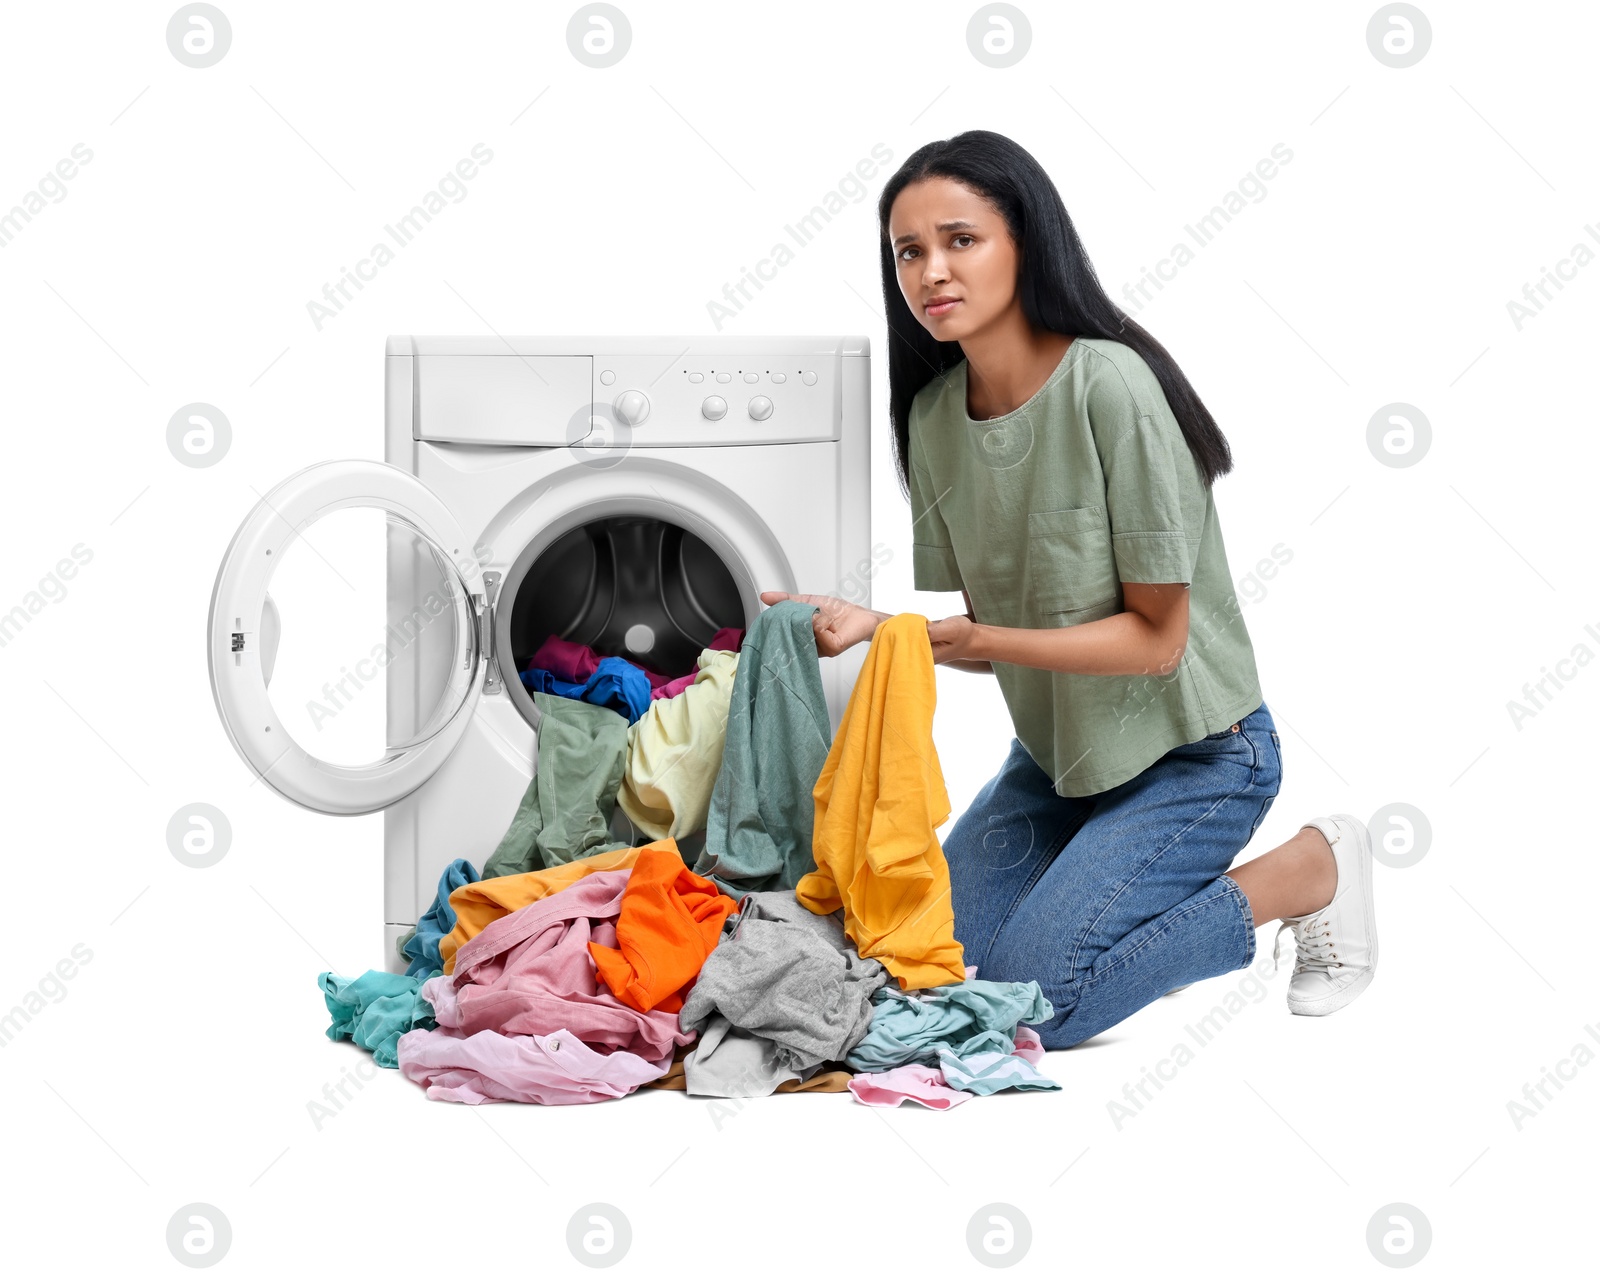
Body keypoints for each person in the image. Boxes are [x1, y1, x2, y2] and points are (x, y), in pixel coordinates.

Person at [760, 130, 1377, 1049]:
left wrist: (962, 639)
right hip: (1057, 767)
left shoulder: (1111, 386)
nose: (931, 270)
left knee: (1036, 997)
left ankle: (1312, 871)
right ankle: (1133, 929)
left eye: (960, 239)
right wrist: (880, 628)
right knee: (904, 963)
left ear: (1026, 242)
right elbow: (995, 628)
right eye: (908, 251)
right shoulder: (933, 419)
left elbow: (1157, 640)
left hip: (1200, 757)